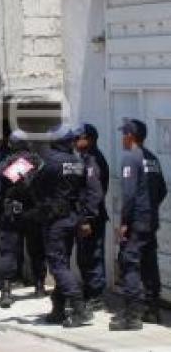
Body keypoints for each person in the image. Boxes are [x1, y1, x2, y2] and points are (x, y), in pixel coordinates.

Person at [35, 126, 102, 327]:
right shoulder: (79, 162)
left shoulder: (48, 161)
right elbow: (89, 191)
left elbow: (34, 186)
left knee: (57, 265)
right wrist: (87, 217)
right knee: (63, 263)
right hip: (72, 219)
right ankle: (58, 308)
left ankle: (79, 308)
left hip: (55, 221)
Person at [111, 119, 168, 330]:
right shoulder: (152, 158)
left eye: (123, 134)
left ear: (130, 136)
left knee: (130, 263)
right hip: (150, 220)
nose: (122, 138)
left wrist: (125, 222)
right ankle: (152, 310)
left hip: (136, 222)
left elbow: (129, 194)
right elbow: (162, 189)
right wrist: (150, 208)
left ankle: (131, 316)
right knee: (149, 264)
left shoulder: (130, 158)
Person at [0, 130, 47, 308]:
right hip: (34, 213)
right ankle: (39, 286)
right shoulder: (39, 162)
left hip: (11, 214)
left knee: (8, 251)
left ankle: (6, 291)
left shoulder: (4, 165)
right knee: (37, 248)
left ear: (11, 145)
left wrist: (1, 209)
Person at [74, 124, 109, 311]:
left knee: (92, 257)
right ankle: (90, 293)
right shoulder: (85, 158)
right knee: (85, 257)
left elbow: (95, 193)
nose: (75, 142)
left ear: (89, 139)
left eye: (78, 138)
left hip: (92, 218)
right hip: (88, 215)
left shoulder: (93, 161)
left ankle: (95, 297)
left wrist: (87, 218)